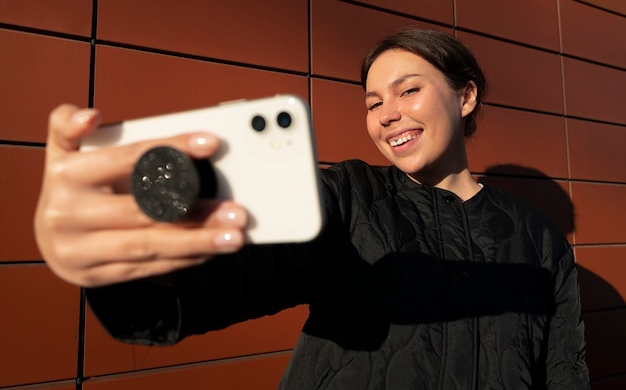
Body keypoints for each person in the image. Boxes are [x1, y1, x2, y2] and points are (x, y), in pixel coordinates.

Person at [34, 28, 590, 389]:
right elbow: (235, 278)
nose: (386, 113)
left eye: (407, 91)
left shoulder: (538, 237)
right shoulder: (347, 194)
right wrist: (123, 270)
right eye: (373, 103)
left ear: (465, 96)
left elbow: (564, 369)